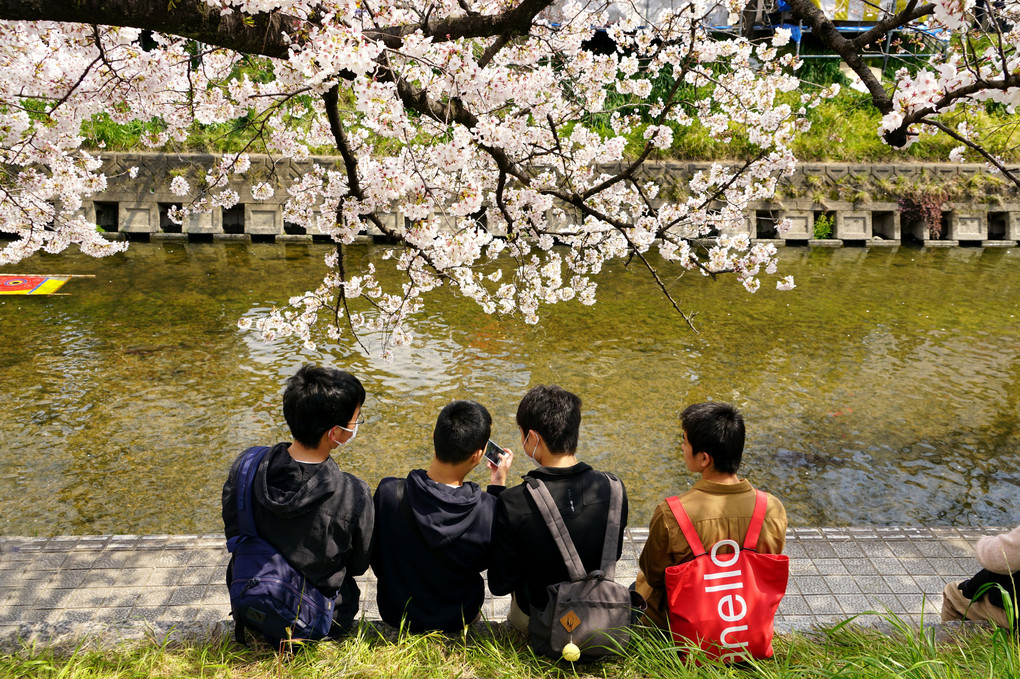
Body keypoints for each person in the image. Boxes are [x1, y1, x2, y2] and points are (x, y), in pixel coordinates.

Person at [222, 364, 374, 635]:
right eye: (356, 419)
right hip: (318, 616)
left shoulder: (247, 467)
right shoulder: (353, 493)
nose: (356, 426)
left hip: (252, 597)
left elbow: (235, 533)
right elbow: (359, 565)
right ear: (335, 434)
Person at [488, 385, 629, 633]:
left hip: (539, 621)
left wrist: (498, 489)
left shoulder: (514, 501)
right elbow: (612, 556)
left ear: (532, 437)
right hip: (598, 616)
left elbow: (499, 584)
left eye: (522, 435)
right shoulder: (614, 488)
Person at [634, 401, 787, 629]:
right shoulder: (772, 509)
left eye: (684, 443)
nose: (682, 448)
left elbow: (655, 575)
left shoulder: (672, 513)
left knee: (640, 585)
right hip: (744, 620)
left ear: (705, 458)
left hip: (683, 626)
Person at [372, 400, 513, 632]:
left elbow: (375, 556)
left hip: (396, 613)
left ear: (435, 436)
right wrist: (497, 488)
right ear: (478, 455)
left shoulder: (389, 493)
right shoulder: (488, 509)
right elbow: (496, 561)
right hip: (459, 616)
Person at [942, 525, 1020, 629]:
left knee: (952, 591)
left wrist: (986, 541)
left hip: (1015, 617)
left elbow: (996, 557)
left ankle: (950, 641)